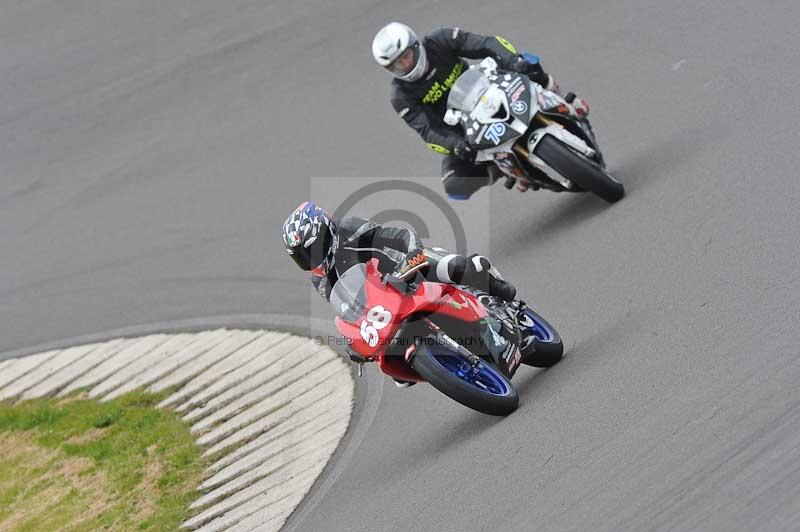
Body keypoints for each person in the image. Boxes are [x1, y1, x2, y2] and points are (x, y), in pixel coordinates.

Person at [281, 201, 523, 386]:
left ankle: (499, 297)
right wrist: (354, 339)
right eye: (302, 256)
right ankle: (448, 363)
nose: (310, 259)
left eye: (311, 249)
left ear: (326, 231)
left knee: (460, 268)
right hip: (386, 302)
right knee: (399, 377)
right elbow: (346, 308)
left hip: (410, 266)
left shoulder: (349, 229)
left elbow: (398, 236)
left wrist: (410, 256)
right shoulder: (320, 279)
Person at [371, 22, 589, 199]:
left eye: (405, 57)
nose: (405, 65)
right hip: (463, 127)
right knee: (454, 184)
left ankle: (560, 96)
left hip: (488, 87)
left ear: (415, 45)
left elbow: (487, 44)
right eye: (396, 65)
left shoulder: (441, 39)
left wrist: (514, 61)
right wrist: (455, 144)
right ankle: (501, 167)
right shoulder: (400, 96)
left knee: (527, 63)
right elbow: (428, 132)